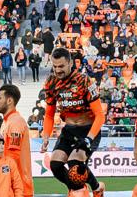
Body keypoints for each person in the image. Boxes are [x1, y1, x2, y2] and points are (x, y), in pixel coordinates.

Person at [40, 48, 107, 183]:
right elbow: (49, 114)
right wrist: (46, 135)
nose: (58, 70)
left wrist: (89, 139)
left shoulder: (85, 81)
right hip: (69, 130)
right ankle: (75, 192)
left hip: (88, 130)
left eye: (61, 66)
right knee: (55, 164)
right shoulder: (51, 83)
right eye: (55, 66)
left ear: (71, 63)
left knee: (75, 164)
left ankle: (96, 188)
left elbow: (100, 115)